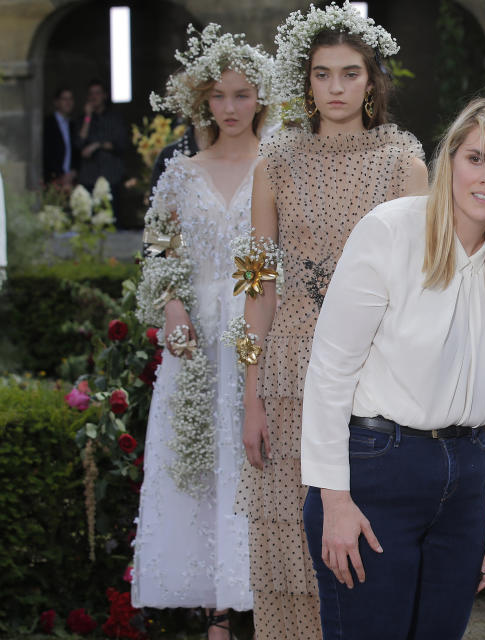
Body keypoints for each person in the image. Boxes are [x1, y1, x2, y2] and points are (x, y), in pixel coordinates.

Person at [300, 96, 485, 640]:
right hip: (377, 470)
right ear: (449, 158)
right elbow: (331, 370)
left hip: (466, 476)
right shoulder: (390, 231)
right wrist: (333, 499)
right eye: (475, 158)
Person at [232, 4, 428, 639]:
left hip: (371, 368)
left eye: (350, 73)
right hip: (288, 363)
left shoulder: (403, 159)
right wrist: (251, 393)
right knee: (290, 529)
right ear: (306, 81)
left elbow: (419, 287)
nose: (336, 88)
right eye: (323, 74)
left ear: (372, 80)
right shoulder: (276, 162)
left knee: (363, 528)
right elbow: (256, 283)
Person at [132, 24, 273, 640]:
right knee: (196, 468)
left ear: (260, 99)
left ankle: (260, 599)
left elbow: (274, 260)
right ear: (203, 103)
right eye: (220, 96)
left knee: (255, 462)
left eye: (243, 95)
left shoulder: (278, 167)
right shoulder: (180, 173)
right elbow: (159, 254)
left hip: (258, 326)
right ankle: (216, 611)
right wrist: (171, 308)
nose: (231, 108)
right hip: (194, 346)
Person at [75, 78, 127, 193]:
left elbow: (120, 144)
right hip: (89, 178)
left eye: (97, 93)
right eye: (91, 94)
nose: (94, 97)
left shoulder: (115, 118)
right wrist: (87, 117)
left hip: (111, 177)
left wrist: (97, 145)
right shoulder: (83, 119)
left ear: (104, 95)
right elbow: (79, 143)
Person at [42, 87, 76, 187]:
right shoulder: (48, 124)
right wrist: (58, 176)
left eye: (70, 99)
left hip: (70, 179)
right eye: (64, 99)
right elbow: (47, 152)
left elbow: (76, 151)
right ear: (56, 102)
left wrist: (73, 173)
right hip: (54, 179)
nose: (68, 102)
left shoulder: (73, 125)